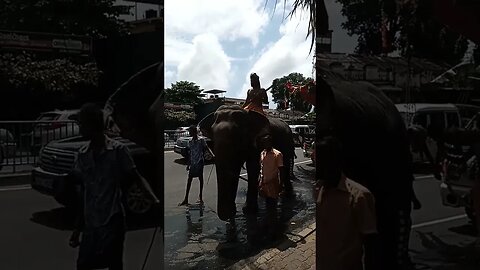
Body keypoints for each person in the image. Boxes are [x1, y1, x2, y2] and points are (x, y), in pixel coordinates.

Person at [68, 103, 160, 270]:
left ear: (92, 125)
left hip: (112, 219)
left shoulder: (117, 151)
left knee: (114, 264)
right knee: (83, 265)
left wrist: (155, 202)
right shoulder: (82, 155)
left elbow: (137, 178)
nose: (79, 127)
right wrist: (76, 230)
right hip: (91, 223)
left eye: (82, 123)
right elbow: (84, 194)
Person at [316, 136, 378, 270]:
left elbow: (371, 244)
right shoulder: (317, 190)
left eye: (324, 160)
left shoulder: (359, 196)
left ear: (337, 161)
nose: (319, 165)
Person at [258, 134, 286, 240]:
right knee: (267, 205)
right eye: (263, 142)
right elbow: (262, 168)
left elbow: (281, 170)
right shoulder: (262, 153)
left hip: (273, 183)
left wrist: (281, 185)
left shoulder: (277, 154)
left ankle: (273, 231)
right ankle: (270, 227)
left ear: (270, 142)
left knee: (272, 207)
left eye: (266, 142)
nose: (265, 144)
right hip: (263, 183)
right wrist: (259, 182)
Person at [179, 125, 214, 206]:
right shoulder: (190, 141)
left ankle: (200, 197)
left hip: (199, 162)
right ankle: (186, 198)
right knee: (189, 180)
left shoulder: (201, 140)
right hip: (193, 162)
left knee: (200, 179)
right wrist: (188, 164)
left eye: (191, 131)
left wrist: (212, 154)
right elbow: (190, 153)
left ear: (194, 131)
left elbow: (206, 148)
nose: (189, 132)